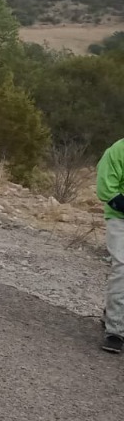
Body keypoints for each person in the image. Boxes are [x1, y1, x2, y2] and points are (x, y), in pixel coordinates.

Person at [96, 137, 124, 352]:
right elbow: (107, 189)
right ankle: (115, 330)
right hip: (119, 217)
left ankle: (112, 312)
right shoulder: (117, 150)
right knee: (123, 268)